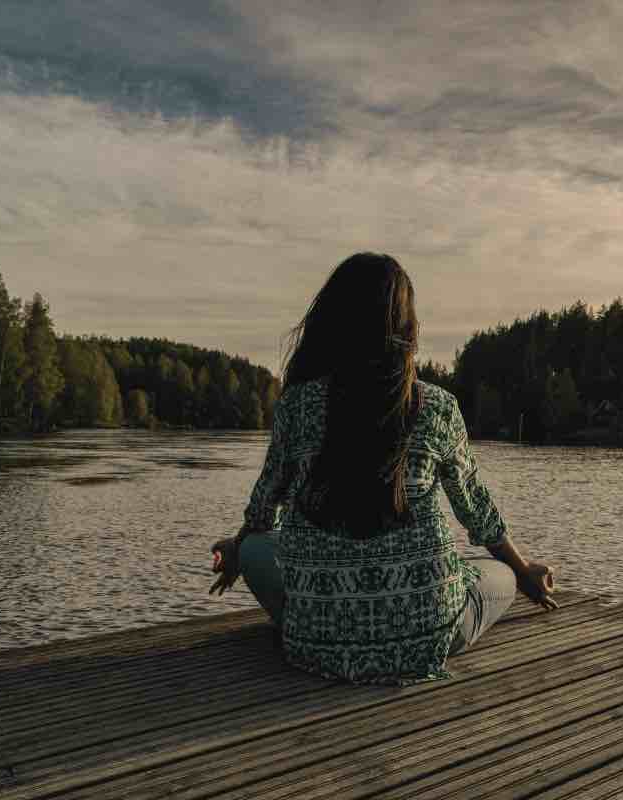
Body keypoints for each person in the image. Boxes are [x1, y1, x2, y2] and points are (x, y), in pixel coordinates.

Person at [209, 252, 557, 686]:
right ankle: (489, 582)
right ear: (407, 328)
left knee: (258, 547)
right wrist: (524, 571)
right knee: (499, 573)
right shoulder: (437, 407)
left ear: (330, 322)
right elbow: (477, 512)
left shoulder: (297, 405)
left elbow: (264, 507)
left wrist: (239, 547)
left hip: (317, 642)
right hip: (426, 636)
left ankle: (324, 618)